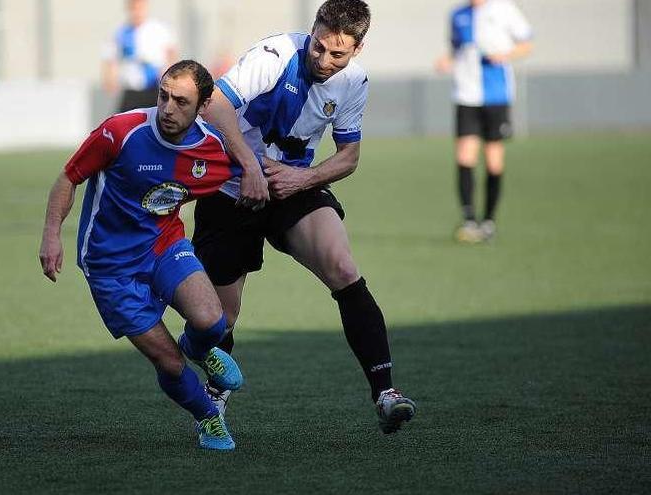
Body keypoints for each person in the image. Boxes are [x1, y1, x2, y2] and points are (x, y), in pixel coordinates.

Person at [194, 0, 417, 434]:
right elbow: (215, 105)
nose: (324, 60)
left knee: (343, 267)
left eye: (337, 54)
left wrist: (304, 179)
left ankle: (386, 393)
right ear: (312, 29)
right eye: (318, 48)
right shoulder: (275, 56)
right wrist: (252, 167)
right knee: (222, 314)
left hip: (293, 185)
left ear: (357, 49)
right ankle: (214, 400)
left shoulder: (353, 81)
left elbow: (349, 156)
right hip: (231, 189)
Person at [39, 60, 253, 451]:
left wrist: (261, 171)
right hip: (109, 266)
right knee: (170, 363)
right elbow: (69, 177)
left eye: (182, 102)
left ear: (203, 106)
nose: (169, 108)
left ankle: (199, 349)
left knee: (212, 320)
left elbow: (246, 172)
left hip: (163, 244)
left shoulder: (211, 148)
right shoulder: (120, 131)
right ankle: (207, 418)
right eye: (164, 96)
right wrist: (52, 235)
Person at [434, 0, 533, 243]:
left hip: (495, 96)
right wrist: (448, 61)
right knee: (464, 156)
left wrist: (506, 54)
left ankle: (489, 220)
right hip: (466, 95)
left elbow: (527, 44)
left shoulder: (504, 9)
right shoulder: (458, 14)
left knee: (493, 158)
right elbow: (458, 50)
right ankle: (469, 219)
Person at [101, 0, 178, 112]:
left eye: (140, 7)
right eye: (134, 8)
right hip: (132, 90)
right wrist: (111, 79)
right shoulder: (121, 32)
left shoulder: (159, 29)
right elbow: (111, 59)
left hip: (155, 88)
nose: (137, 12)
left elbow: (171, 54)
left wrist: (170, 76)